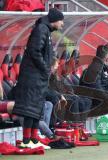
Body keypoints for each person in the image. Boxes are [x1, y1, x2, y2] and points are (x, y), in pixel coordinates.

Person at [11, 8, 64, 149]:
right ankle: (26, 140)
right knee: (30, 110)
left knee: (36, 109)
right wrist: (45, 68)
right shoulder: (41, 29)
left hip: (38, 77)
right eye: (61, 21)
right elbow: (35, 51)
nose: (62, 24)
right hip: (32, 76)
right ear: (54, 20)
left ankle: (34, 140)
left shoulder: (45, 30)